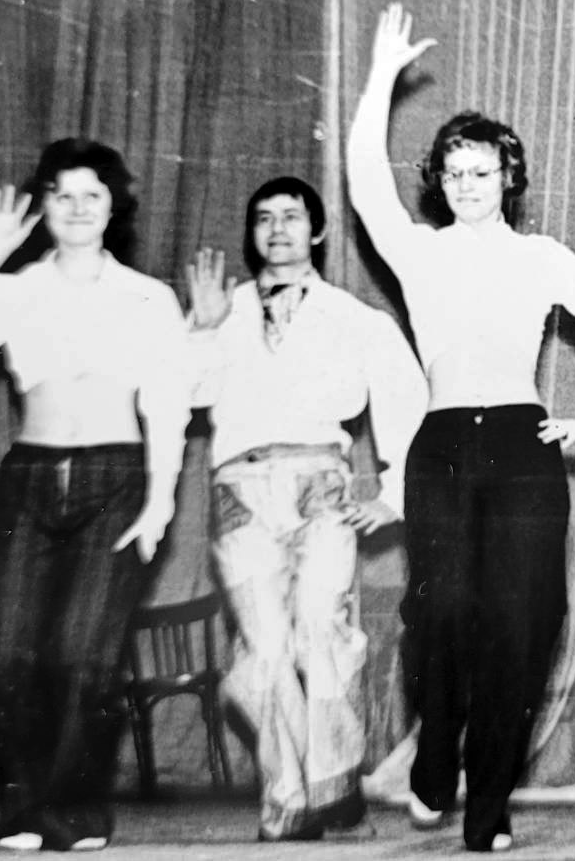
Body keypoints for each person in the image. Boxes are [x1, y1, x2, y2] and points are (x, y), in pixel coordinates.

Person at [347, 3, 575, 853]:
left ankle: (489, 806)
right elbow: (364, 181)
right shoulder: (419, 251)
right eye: (453, 172)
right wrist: (381, 79)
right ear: (437, 180)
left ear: (508, 176)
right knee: (440, 614)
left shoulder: (542, 257)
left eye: (481, 171)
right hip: (441, 447)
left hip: (522, 446)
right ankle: (435, 752)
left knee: (525, 621)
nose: (466, 184)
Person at [0, 139, 190, 852]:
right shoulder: (18, 288)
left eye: (91, 195)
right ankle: (25, 808)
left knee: (84, 657)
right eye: (62, 195)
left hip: (116, 480)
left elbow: (168, 403)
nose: (76, 208)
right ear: (42, 207)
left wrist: (160, 501)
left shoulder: (148, 297)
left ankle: (75, 810)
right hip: (31, 479)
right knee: (2, 654)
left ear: (113, 207)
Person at [182, 176, 427, 841]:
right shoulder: (224, 309)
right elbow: (184, 393)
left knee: (324, 632)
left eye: (291, 216)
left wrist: (394, 493)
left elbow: (407, 401)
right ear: (251, 233)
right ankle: (289, 793)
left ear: (316, 230)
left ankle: (332, 780)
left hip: (321, 483)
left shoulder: (354, 317)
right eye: (264, 218)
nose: (277, 229)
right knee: (264, 647)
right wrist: (201, 329)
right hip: (241, 488)